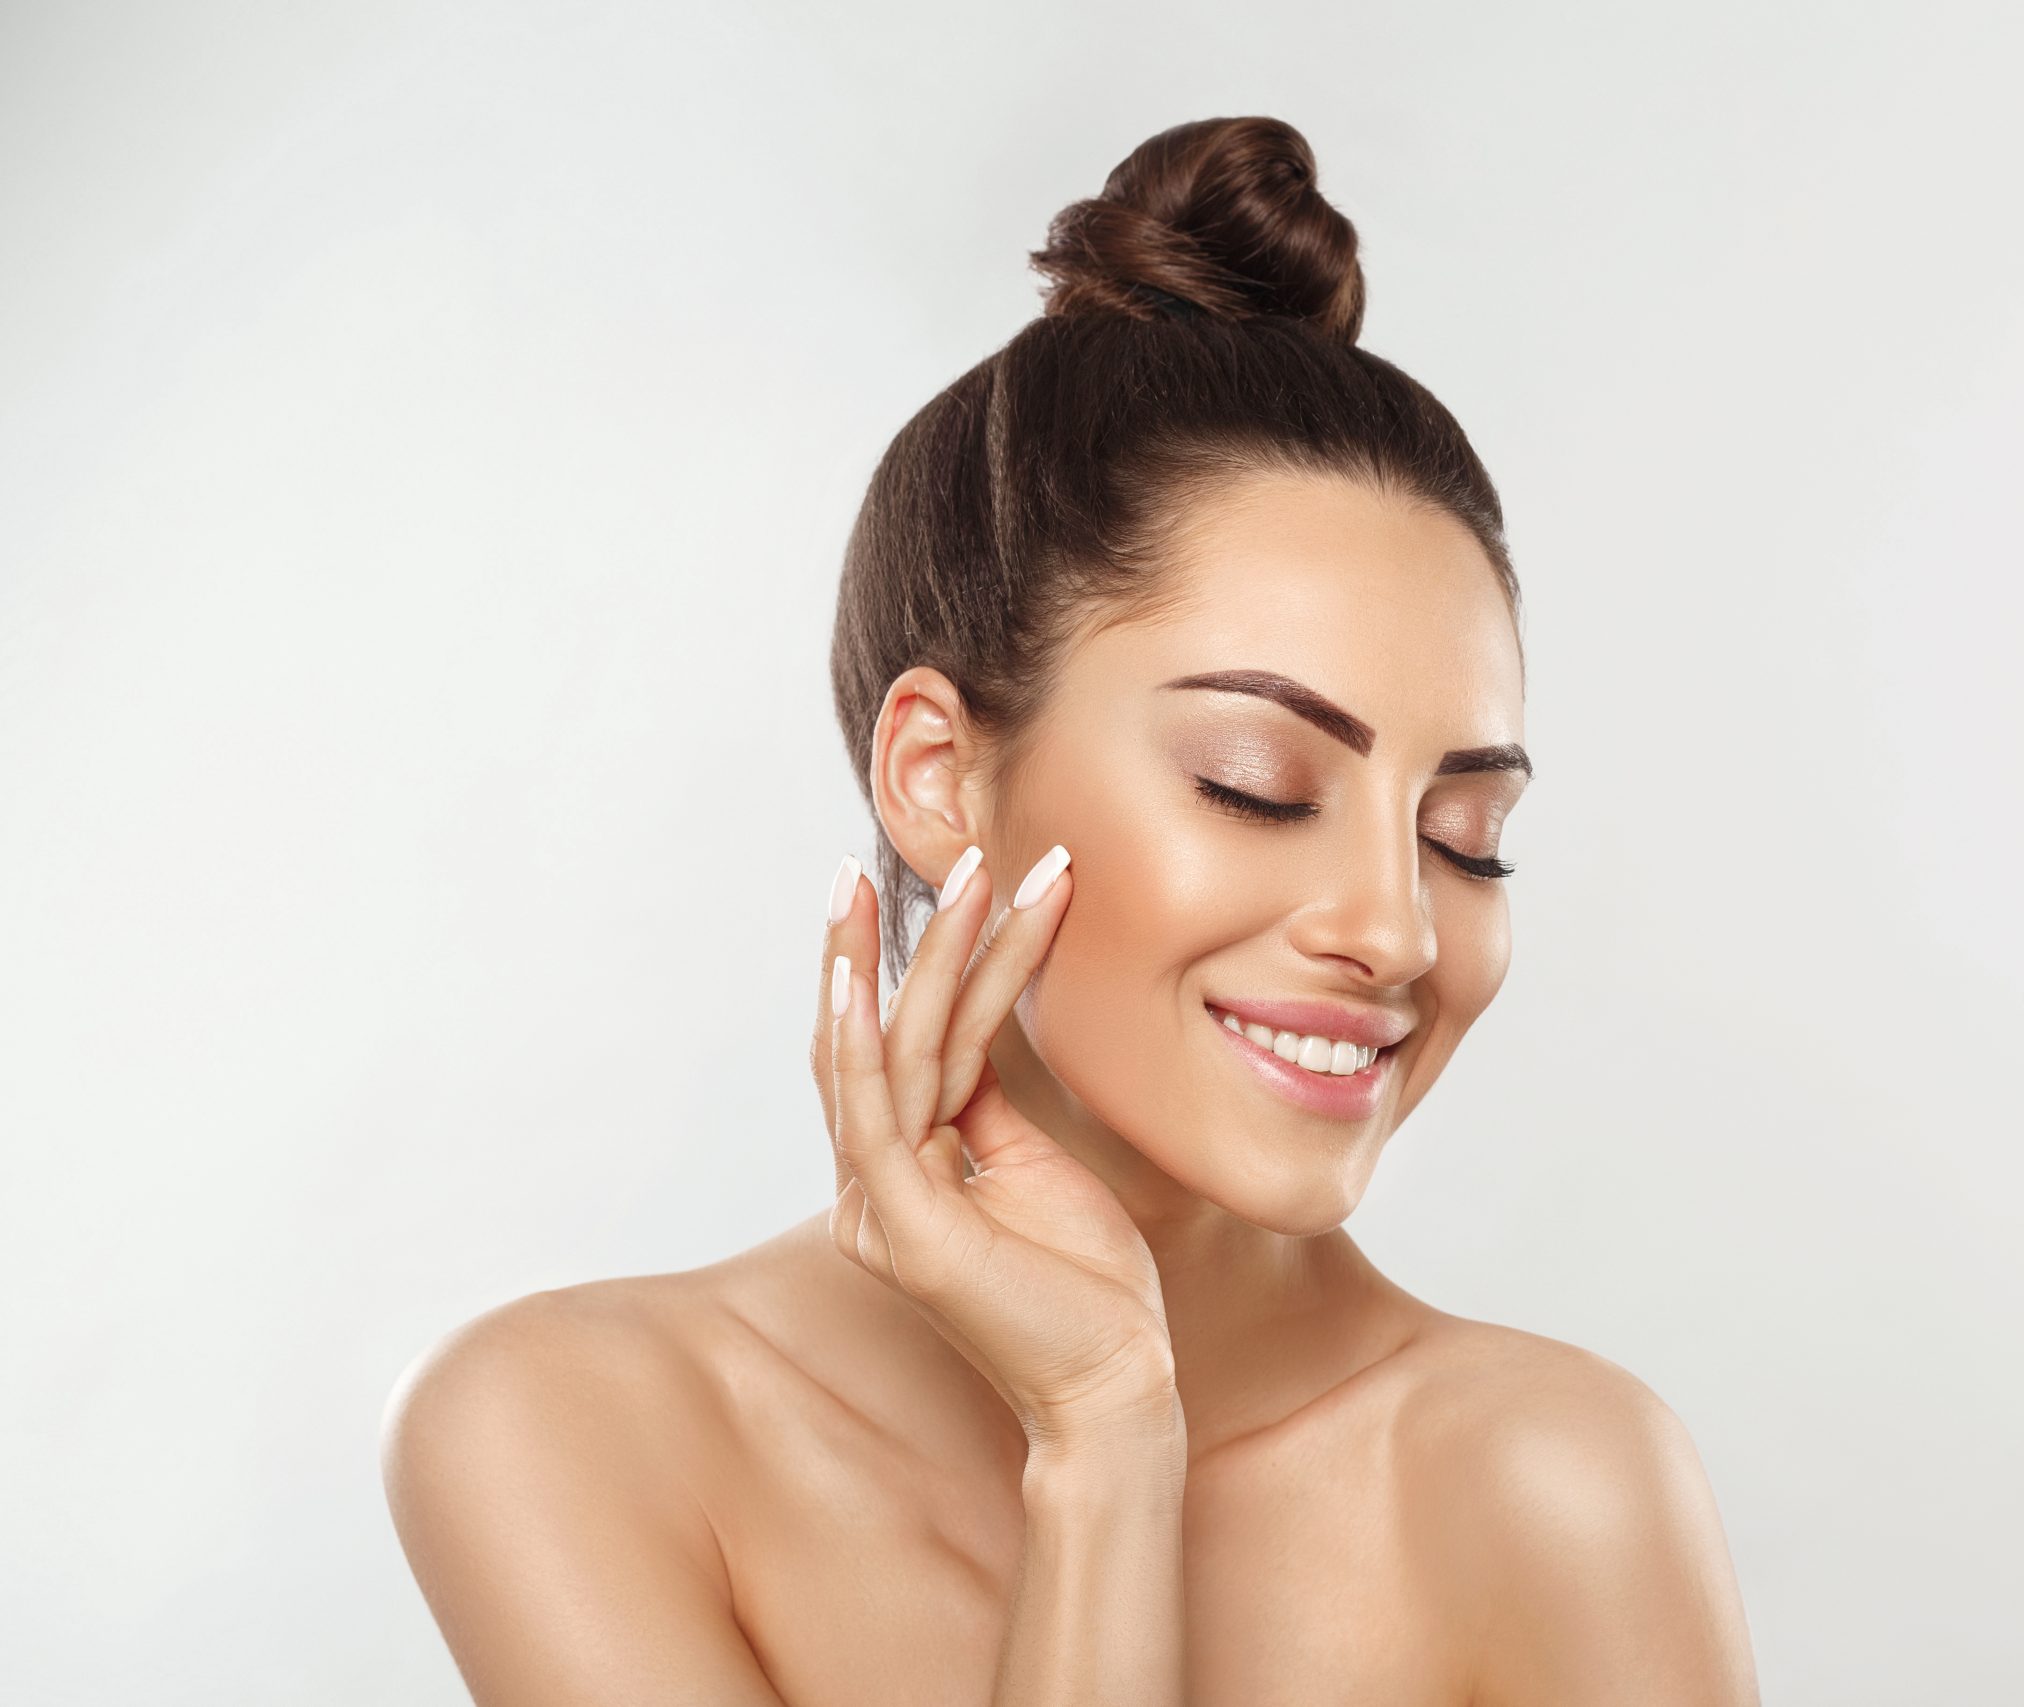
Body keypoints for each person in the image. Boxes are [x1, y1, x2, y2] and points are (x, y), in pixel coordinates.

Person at [380, 114, 1759, 1706]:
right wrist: (1104, 1443)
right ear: (939, 777)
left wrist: (1105, 1432)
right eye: (1256, 784)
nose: (1397, 932)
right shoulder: (576, 1433)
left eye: (1466, 837)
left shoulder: (1558, 1486)